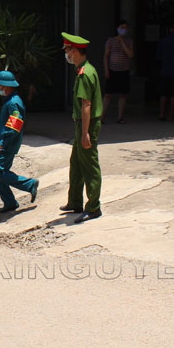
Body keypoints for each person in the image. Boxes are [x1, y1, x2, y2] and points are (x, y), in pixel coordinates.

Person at [59, 32, 103, 223]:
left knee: (89, 164)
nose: (67, 54)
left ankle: (93, 207)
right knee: (76, 163)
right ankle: (75, 202)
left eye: (68, 50)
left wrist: (85, 133)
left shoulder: (85, 74)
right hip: (81, 125)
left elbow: (87, 105)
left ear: (75, 51)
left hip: (87, 124)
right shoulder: (83, 70)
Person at [0, 70, 39, 213]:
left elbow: (15, 126)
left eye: (0, 85)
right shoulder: (10, 101)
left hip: (7, 145)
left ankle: (30, 184)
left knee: (0, 173)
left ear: (6, 86)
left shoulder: (13, 103)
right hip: (5, 142)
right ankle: (10, 202)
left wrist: (2, 142)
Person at [103, 20, 135, 123]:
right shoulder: (110, 41)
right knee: (108, 94)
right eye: (122, 27)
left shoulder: (129, 41)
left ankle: (120, 117)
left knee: (123, 94)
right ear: (117, 28)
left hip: (124, 71)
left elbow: (130, 55)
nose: (123, 29)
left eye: (125, 28)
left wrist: (122, 42)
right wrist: (106, 70)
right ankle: (101, 117)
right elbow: (106, 56)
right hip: (112, 70)